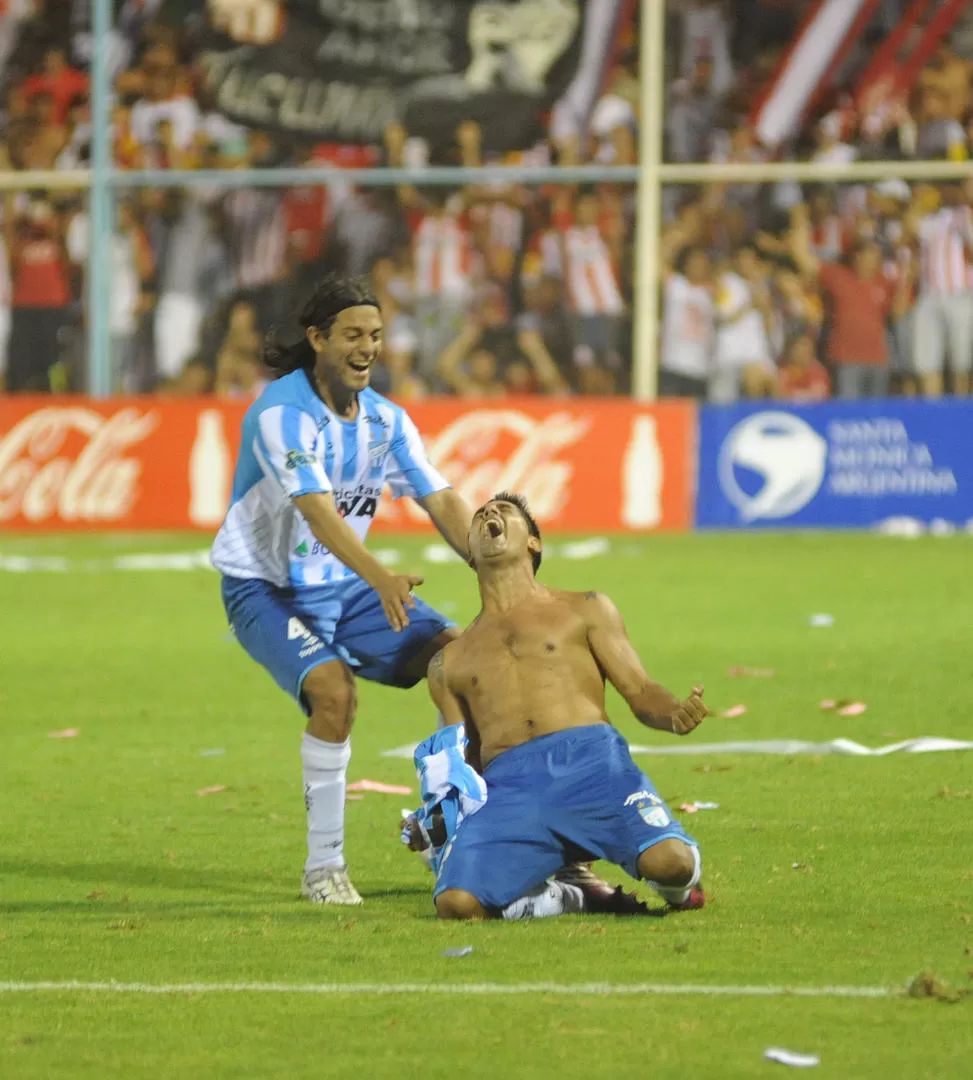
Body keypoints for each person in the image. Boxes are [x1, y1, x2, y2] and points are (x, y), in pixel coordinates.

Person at [211, 274, 475, 906]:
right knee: (334, 695)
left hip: (345, 586)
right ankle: (323, 868)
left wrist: (501, 571)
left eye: (376, 335)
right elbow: (318, 512)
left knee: (460, 662)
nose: (368, 347)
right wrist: (379, 575)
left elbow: (440, 498)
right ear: (317, 338)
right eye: (353, 334)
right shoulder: (282, 412)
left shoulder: (387, 420)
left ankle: (448, 826)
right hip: (265, 589)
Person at [425, 493, 707, 921]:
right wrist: (438, 816)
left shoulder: (585, 608)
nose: (489, 514)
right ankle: (573, 895)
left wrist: (672, 714)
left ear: (534, 543)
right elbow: (462, 756)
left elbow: (640, 689)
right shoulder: (449, 662)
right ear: (470, 554)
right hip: (510, 787)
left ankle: (682, 890)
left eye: (503, 511)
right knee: (456, 905)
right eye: (480, 515)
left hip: (594, 767)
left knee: (672, 864)